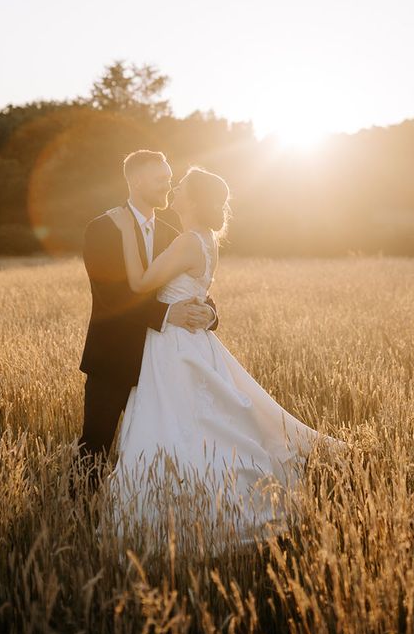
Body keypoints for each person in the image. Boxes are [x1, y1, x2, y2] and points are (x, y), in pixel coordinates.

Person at [103, 165, 346, 548]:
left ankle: (182, 512)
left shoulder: (186, 241)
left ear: (193, 199)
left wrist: (125, 234)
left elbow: (137, 284)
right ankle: (201, 504)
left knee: (175, 423)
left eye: (181, 185)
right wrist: (207, 313)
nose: (174, 187)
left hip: (175, 347)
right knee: (198, 423)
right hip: (192, 343)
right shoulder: (205, 240)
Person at [75, 150, 219, 491]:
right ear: (137, 180)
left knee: (162, 441)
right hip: (113, 356)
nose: (168, 186)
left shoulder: (175, 234)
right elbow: (110, 295)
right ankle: (77, 514)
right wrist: (167, 314)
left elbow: (192, 286)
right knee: (95, 443)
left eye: (171, 180)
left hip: (163, 361)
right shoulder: (103, 228)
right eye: (161, 180)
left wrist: (210, 314)